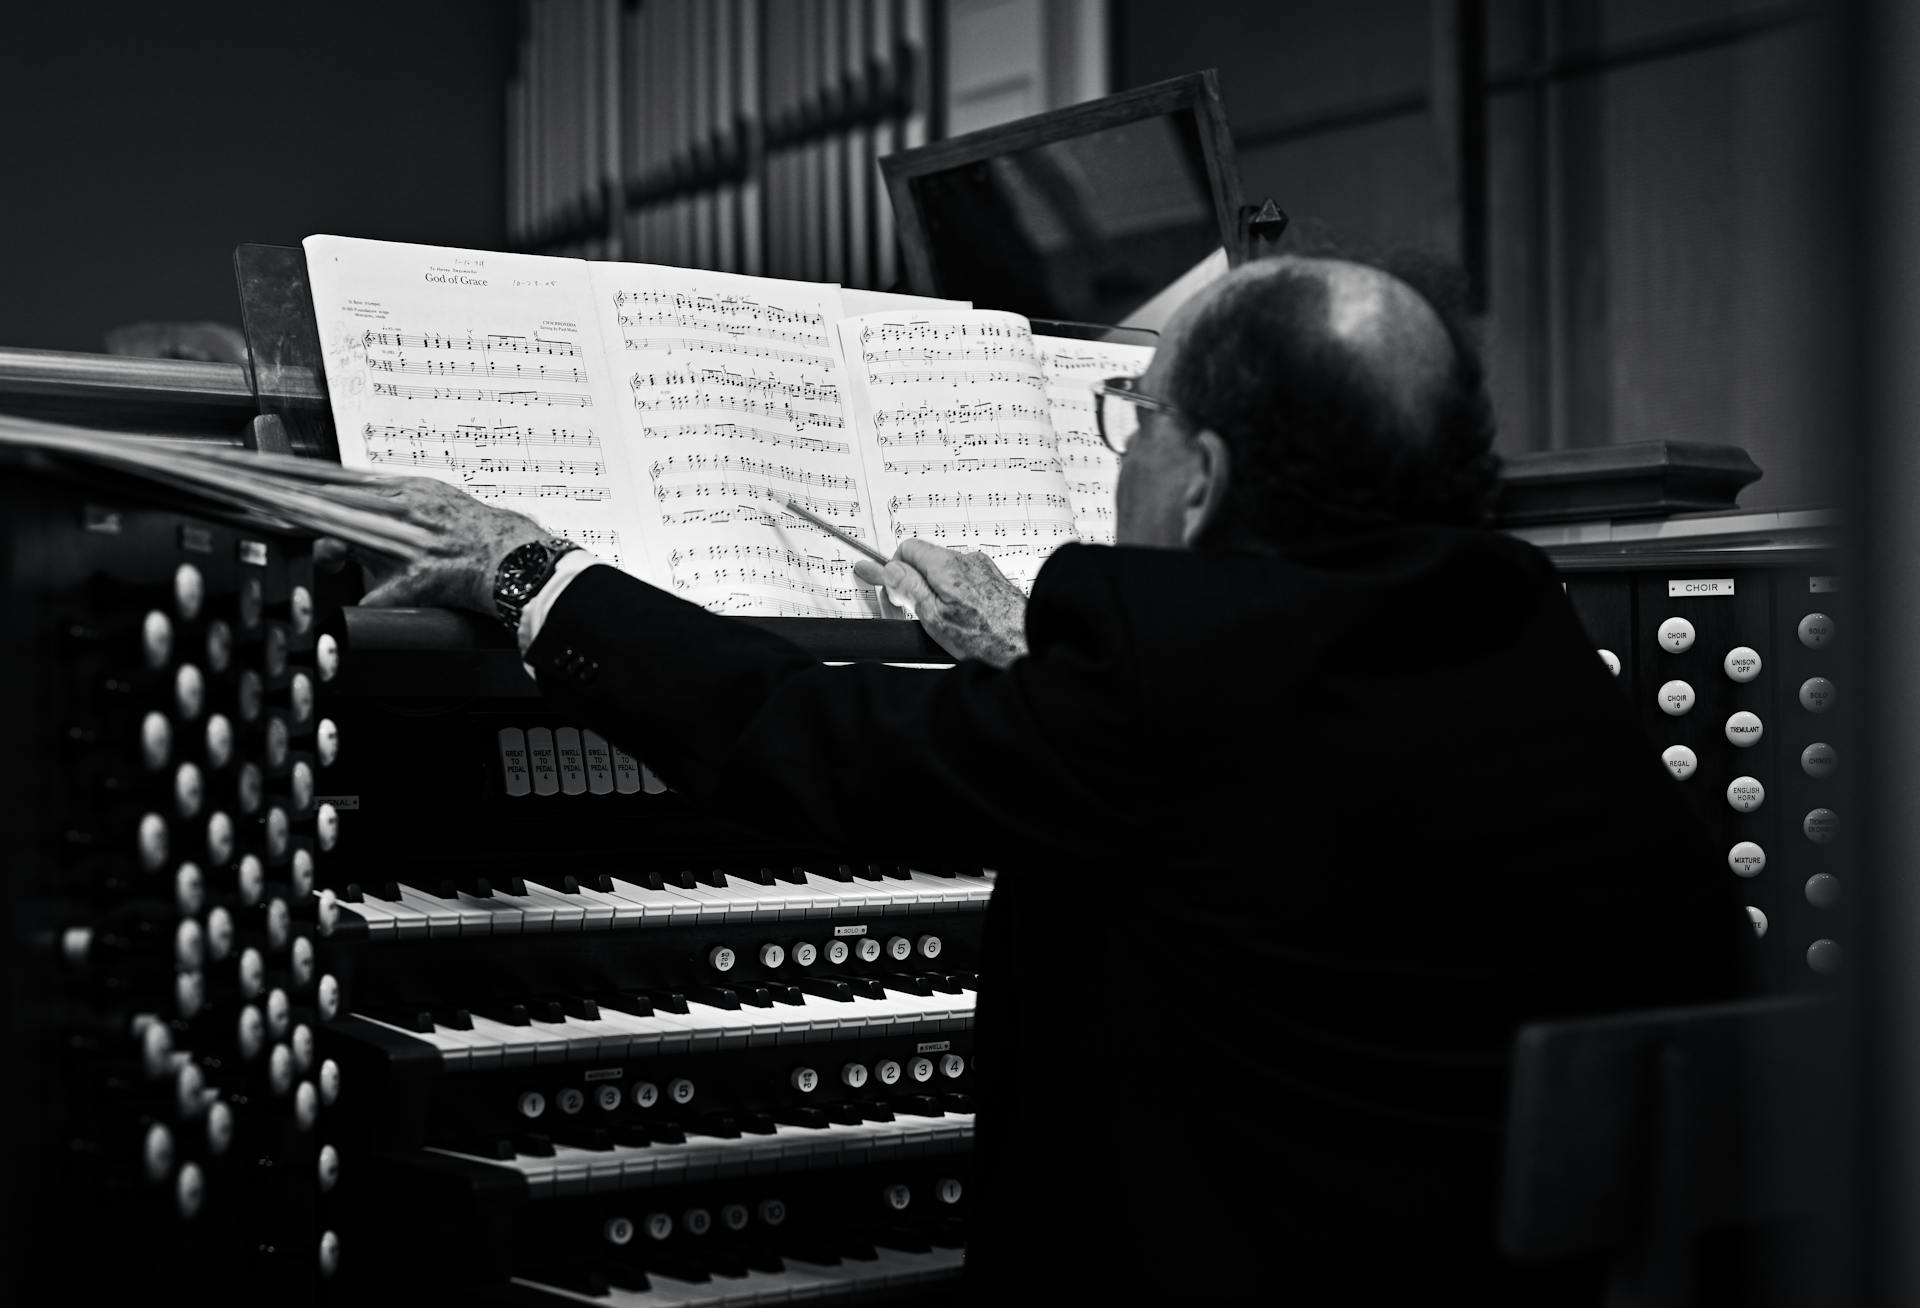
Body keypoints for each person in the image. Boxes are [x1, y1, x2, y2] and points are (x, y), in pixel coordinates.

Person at [332, 253, 1757, 1303]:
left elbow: (799, 740)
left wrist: (533, 572)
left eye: (1130, 422)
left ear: (1196, 480)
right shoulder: (1532, 646)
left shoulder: (1162, 685)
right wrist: (1036, 664)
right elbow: (1268, 774)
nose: (1124, 460)